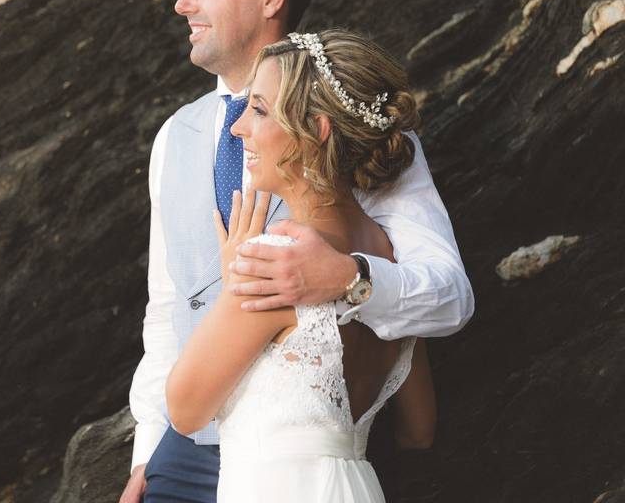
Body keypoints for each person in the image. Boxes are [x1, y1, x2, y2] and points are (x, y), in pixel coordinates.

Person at [121, 0, 472, 503]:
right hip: (183, 455)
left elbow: (448, 293)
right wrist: (146, 456)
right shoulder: (173, 139)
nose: (182, 3)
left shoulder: (371, 140)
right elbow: (167, 307)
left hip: (294, 451)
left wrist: (345, 277)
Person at [166, 30, 438, 501]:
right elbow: (420, 431)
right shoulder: (391, 266)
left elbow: (185, 408)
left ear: (317, 129)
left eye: (259, 110)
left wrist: (235, 285)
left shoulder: (275, 262)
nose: (238, 128)